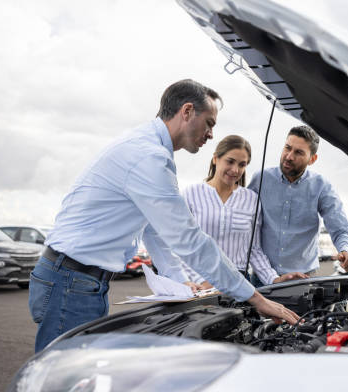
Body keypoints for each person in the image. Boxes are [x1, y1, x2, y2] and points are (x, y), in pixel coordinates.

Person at [28, 79, 300, 352]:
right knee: (63, 382)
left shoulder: (146, 147)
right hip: (71, 283)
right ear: (187, 112)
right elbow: (189, 241)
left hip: (74, 279)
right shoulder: (148, 157)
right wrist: (254, 298)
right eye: (209, 123)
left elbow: (153, 230)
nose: (211, 134)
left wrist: (180, 282)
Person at [175, 135, 308, 287]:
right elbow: (181, 246)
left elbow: (254, 250)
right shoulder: (191, 194)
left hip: (239, 283)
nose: (235, 170)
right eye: (230, 161)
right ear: (215, 159)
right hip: (198, 283)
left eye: (242, 164)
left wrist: (274, 279)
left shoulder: (251, 200)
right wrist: (201, 281)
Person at [248, 125, 348, 286]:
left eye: (298, 152)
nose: (289, 156)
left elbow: (341, 229)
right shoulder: (260, 179)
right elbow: (245, 225)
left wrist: (346, 251)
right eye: (287, 148)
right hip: (262, 279)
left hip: (303, 281)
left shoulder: (322, 187)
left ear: (312, 159)